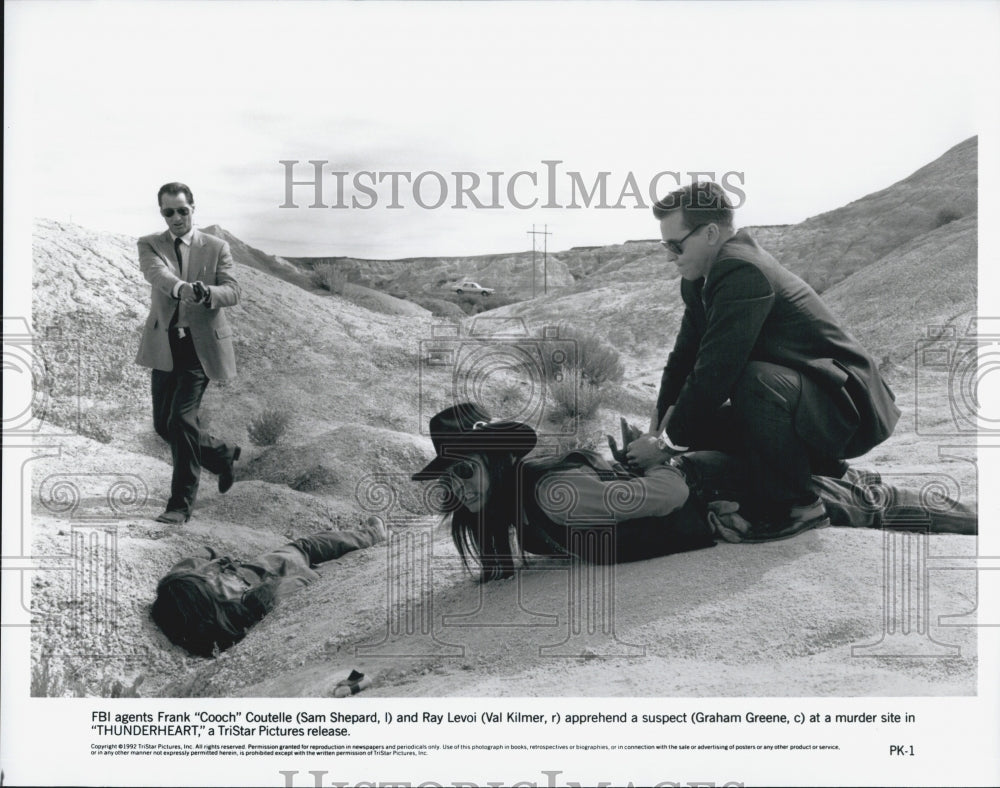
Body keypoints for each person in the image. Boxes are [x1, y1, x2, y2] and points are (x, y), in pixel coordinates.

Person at [413, 404, 975, 582]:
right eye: (450, 479)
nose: (459, 489)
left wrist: (663, 463)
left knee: (870, 506)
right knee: (863, 496)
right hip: (717, 488)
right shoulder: (522, 508)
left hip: (716, 486)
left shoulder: (550, 494)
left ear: (498, 460)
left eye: (466, 471)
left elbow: (661, 498)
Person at [629, 181, 901, 539]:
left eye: (675, 245)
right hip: (810, 402)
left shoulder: (742, 269)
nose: (670, 255)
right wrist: (658, 430)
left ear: (711, 232)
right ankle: (828, 472)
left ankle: (799, 506)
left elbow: (715, 372)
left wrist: (664, 448)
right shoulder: (699, 280)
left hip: (851, 411)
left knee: (752, 381)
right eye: (665, 246)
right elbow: (683, 361)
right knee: (699, 423)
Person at [135, 182, 242, 524]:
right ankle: (222, 455)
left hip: (201, 346)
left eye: (182, 210)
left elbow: (233, 290)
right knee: (164, 426)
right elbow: (157, 274)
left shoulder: (216, 246)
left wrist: (206, 292)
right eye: (169, 212)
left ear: (193, 208)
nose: (176, 217)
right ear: (162, 213)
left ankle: (180, 506)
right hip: (166, 344)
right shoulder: (150, 243)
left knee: (182, 419)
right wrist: (182, 289)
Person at [151, 517, 387, 657]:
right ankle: (374, 543)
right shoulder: (190, 596)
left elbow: (199, 559)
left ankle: (371, 538)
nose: (211, 582)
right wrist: (221, 565)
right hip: (264, 587)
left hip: (258, 579)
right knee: (316, 567)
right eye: (211, 585)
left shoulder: (179, 594)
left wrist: (219, 564)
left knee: (308, 555)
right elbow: (202, 556)